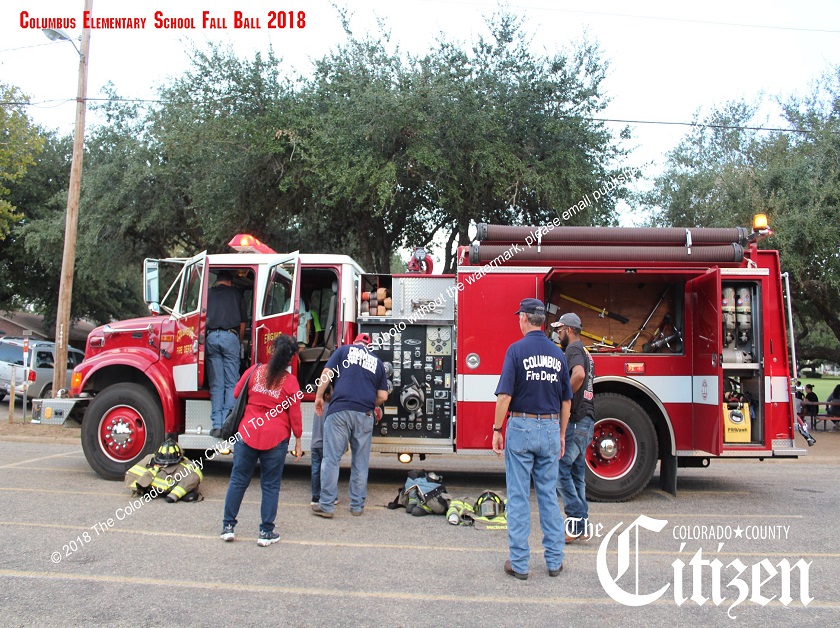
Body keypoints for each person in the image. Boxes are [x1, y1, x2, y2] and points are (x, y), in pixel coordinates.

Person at [492, 298, 573, 580]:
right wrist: (561, 433)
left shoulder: (516, 351)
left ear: (525, 319)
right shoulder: (558, 354)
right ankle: (554, 562)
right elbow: (566, 403)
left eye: (520, 317)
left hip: (521, 428)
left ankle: (520, 564)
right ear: (544, 322)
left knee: (518, 497)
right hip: (550, 428)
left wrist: (496, 429)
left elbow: (505, 396)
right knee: (549, 496)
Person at [221, 335, 303, 546]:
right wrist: (298, 440)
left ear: (273, 350)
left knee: (238, 480)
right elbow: (295, 415)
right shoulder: (291, 382)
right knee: (270, 485)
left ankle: (228, 527)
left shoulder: (254, 371)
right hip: (276, 438)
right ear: (291, 359)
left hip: (247, 433)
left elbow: (237, 392)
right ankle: (266, 532)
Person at [312, 333, 388, 518]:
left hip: (340, 410)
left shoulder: (344, 350)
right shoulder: (377, 362)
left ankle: (327, 506)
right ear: (368, 347)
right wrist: (369, 404)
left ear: (355, 342)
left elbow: (327, 373)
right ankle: (357, 506)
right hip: (365, 414)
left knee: (331, 459)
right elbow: (383, 396)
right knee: (360, 463)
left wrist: (319, 396)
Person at [550, 313, 596, 543]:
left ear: (568, 330)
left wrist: (563, 395)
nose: (558, 335)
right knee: (577, 475)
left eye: (559, 330)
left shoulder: (573, 350)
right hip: (587, 420)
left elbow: (578, 374)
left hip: (575, 420)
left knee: (560, 469)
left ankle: (576, 520)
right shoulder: (586, 352)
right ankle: (583, 527)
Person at [206, 270, 244, 438]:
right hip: (230, 337)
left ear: (218, 281)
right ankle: (228, 425)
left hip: (211, 337)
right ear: (229, 281)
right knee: (231, 383)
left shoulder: (208, 294)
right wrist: (239, 341)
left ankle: (217, 425)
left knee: (217, 384)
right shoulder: (236, 294)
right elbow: (243, 322)